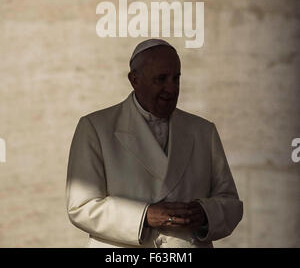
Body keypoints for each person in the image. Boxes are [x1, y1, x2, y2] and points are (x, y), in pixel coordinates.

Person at [66, 39, 243, 248]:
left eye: (176, 78)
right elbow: (81, 207)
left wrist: (205, 213)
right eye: (161, 79)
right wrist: (145, 216)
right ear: (134, 80)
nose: (172, 88)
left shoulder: (203, 131)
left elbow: (231, 203)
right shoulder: (95, 128)